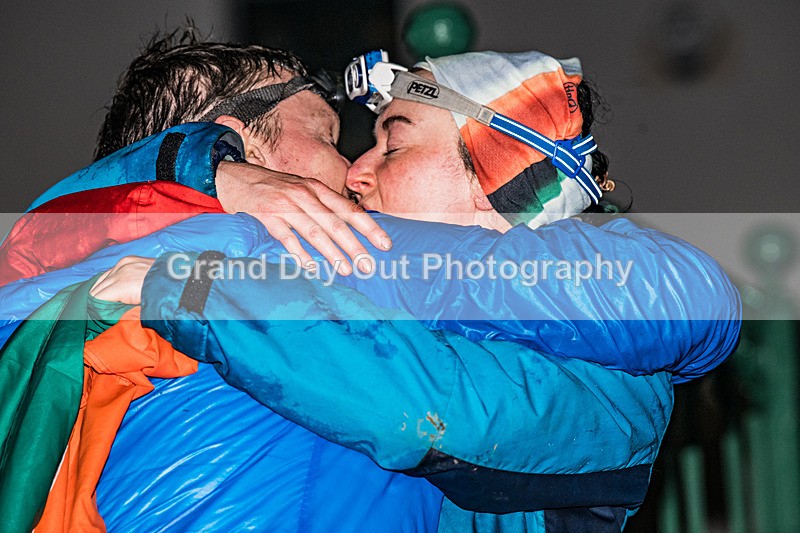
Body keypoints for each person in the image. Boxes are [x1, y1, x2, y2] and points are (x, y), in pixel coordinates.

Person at [0, 38, 737, 533]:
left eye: (390, 139)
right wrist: (208, 183)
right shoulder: (212, 244)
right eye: (328, 135)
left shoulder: (167, 257)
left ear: (498, 173)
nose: (354, 167)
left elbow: (683, 300)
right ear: (238, 141)